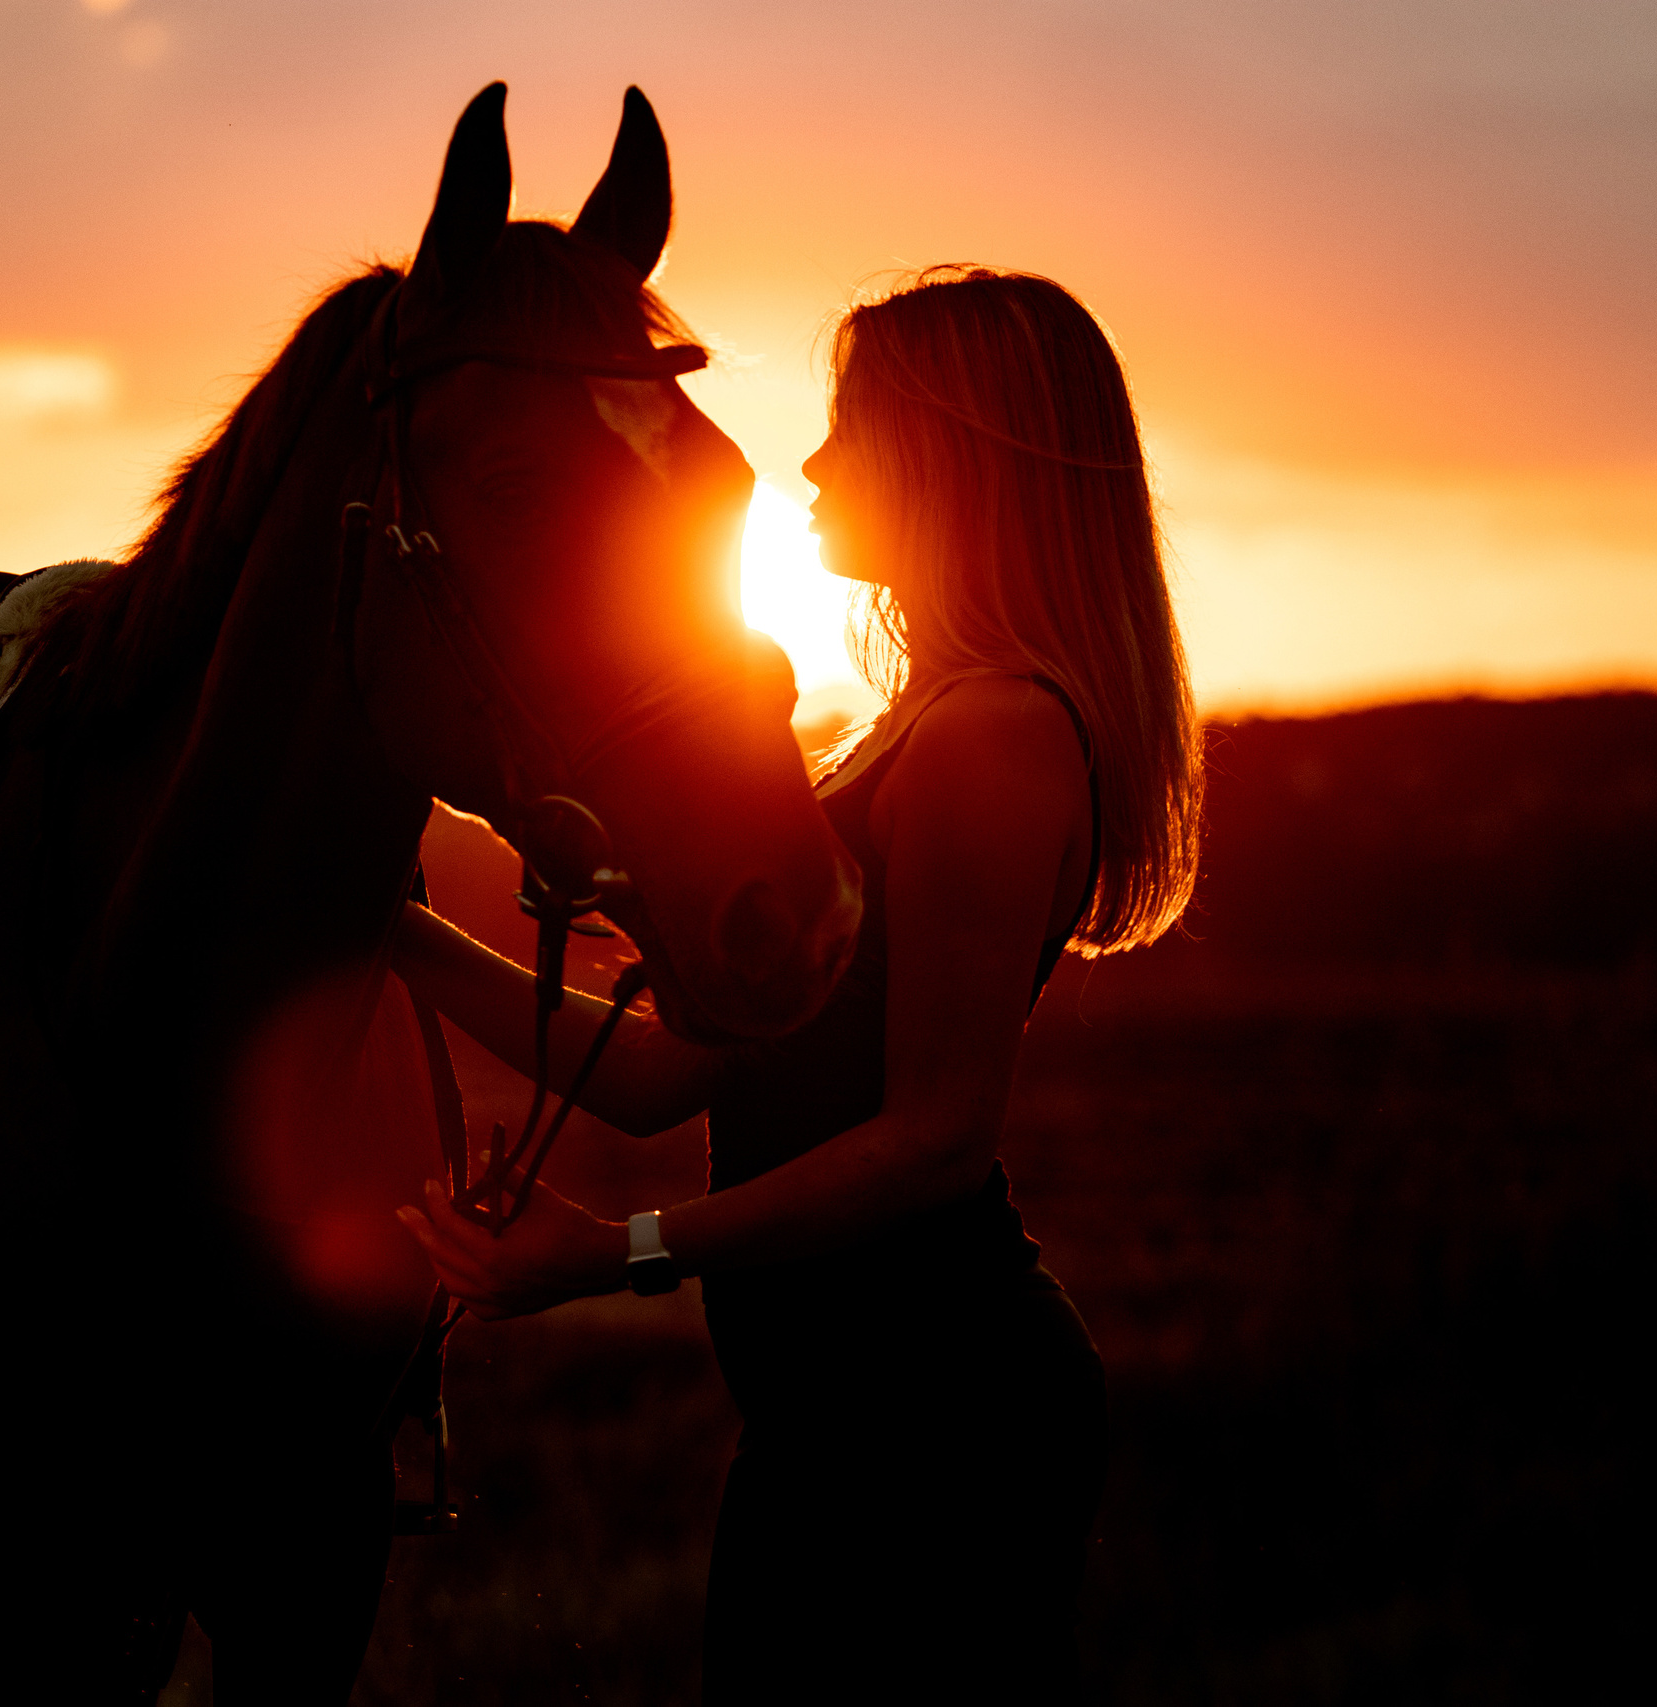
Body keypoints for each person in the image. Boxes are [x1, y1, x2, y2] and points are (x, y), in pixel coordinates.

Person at [395, 265, 1202, 1700]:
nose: (814, 465)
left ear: (959, 458)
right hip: (844, 1415)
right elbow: (667, 1075)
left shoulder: (993, 735)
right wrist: (400, 933)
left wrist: (617, 1254)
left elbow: (935, 1139)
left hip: (936, 1417)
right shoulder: (912, 727)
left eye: (855, 425)